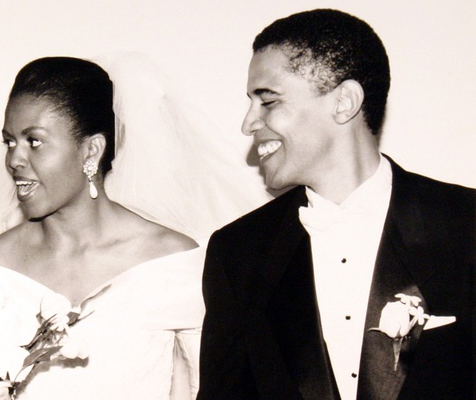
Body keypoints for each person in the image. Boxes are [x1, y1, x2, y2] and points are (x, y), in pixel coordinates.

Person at [197, 9, 474, 400]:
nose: (248, 124)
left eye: (268, 101)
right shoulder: (237, 253)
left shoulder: (466, 224)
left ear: (344, 102)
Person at [0, 57, 205, 400]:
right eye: (10, 142)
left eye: (33, 141)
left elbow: (207, 388)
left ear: (91, 150)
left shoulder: (174, 263)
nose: (14, 160)